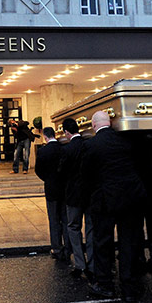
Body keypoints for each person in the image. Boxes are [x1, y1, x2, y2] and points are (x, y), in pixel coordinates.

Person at [81, 111, 146, 302]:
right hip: (130, 197)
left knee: (103, 242)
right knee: (129, 241)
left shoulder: (91, 145)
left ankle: (105, 284)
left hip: (104, 200)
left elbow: (86, 175)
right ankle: (129, 286)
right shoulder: (126, 141)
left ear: (93, 125)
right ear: (109, 123)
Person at [60, 118, 93, 279]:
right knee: (91, 228)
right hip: (90, 193)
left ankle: (80, 263)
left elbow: (62, 172)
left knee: (73, 227)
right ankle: (92, 264)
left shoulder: (67, 150)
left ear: (67, 132)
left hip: (73, 195)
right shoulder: (88, 145)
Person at [34, 126, 71, 262]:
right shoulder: (63, 149)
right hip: (64, 188)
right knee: (66, 219)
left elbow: (38, 170)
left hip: (51, 188)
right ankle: (68, 247)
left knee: (54, 220)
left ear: (44, 136)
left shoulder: (43, 151)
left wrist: (48, 179)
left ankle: (56, 248)